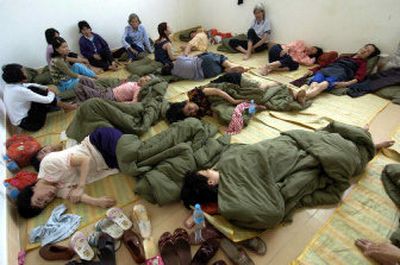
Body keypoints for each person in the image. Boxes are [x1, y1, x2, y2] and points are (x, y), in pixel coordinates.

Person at [180, 123, 395, 229]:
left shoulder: (225, 167)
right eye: (207, 170)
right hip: (306, 159)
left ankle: (363, 141)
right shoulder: (232, 199)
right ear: (210, 181)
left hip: (290, 145)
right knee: (343, 152)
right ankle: (368, 145)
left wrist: (196, 209)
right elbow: (272, 213)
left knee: (326, 136)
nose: (210, 167)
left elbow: (242, 151)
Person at [16, 127, 124, 218]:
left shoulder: (48, 164)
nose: (47, 198)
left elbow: (84, 160)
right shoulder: (55, 190)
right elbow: (75, 195)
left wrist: (80, 187)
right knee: (133, 166)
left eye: (40, 199)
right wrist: (97, 202)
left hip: (99, 143)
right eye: (45, 203)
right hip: (108, 162)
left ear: (32, 188)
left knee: (131, 152)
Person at [165, 72, 306, 123]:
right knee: (261, 100)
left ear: (185, 102)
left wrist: (233, 101)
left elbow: (216, 91)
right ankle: (291, 94)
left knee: (259, 89)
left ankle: (277, 84)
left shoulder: (194, 94)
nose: (193, 111)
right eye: (190, 114)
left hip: (232, 81)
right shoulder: (197, 113)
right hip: (228, 93)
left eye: (189, 109)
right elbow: (215, 110)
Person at [2, 64, 76, 131]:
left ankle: (61, 106)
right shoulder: (19, 91)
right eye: (24, 71)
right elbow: (47, 100)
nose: (26, 72)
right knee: (42, 93)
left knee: (35, 89)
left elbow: (29, 85)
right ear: (18, 76)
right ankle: (67, 106)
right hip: (31, 124)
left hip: (25, 119)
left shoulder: (9, 86)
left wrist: (46, 88)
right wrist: (50, 92)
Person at [300, 44, 381, 100]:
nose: (364, 50)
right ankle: (304, 97)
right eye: (365, 48)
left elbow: (359, 77)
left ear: (368, 56)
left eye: (368, 51)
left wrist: (345, 84)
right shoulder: (344, 57)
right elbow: (327, 64)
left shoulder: (362, 63)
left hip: (338, 75)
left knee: (322, 85)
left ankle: (304, 96)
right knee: (314, 83)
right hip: (326, 70)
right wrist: (312, 71)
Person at [161, 52, 247, 81]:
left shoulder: (176, 73)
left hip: (207, 75)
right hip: (203, 63)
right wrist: (203, 53)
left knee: (221, 68)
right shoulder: (179, 60)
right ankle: (231, 65)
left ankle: (227, 70)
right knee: (217, 56)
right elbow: (193, 57)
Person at [74, 75, 153, 103]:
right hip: (107, 90)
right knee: (83, 79)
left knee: (79, 87)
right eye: (144, 77)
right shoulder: (135, 82)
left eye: (146, 81)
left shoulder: (138, 89)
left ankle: (83, 104)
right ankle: (85, 97)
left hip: (109, 97)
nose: (143, 79)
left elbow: (134, 102)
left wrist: (122, 104)